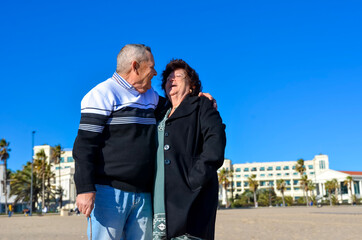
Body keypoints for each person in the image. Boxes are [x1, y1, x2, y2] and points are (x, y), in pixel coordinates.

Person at [73, 44, 215, 240]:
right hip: (110, 194)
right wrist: (84, 188)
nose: (156, 73)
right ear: (135, 66)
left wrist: (199, 99)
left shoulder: (151, 98)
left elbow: (178, 108)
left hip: (144, 196)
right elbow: (84, 146)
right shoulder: (102, 94)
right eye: (151, 67)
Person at [153, 59, 226, 240]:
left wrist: (194, 180)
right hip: (157, 201)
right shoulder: (159, 112)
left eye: (178, 76)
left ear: (192, 85)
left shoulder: (201, 106)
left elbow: (215, 142)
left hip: (192, 197)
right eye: (168, 77)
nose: (172, 79)